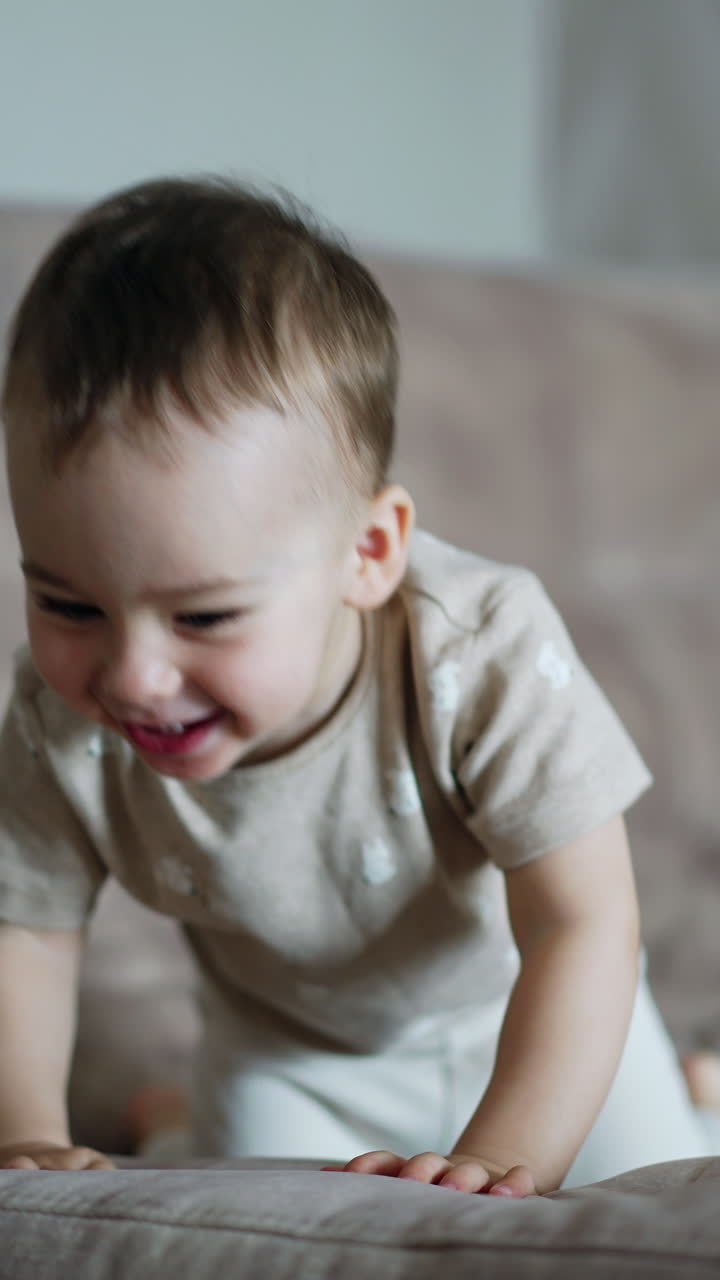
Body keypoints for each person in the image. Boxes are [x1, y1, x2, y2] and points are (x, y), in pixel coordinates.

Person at [0, 178, 715, 1194]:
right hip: (293, 1054)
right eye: (68, 604)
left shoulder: (478, 650)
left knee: (662, 1180)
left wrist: (502, 1159)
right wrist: (24, 1128)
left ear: (370, 550)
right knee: (235, 1206)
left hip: (532, 1013)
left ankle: (693, 1087)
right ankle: (181, 1114)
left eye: (204, 616)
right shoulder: (52, 723)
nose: (133, 675)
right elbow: (25, 922)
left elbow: (584, 920)